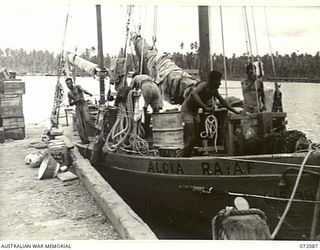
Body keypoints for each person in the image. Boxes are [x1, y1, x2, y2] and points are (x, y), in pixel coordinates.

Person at [180, 70, 240, 157]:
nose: (220, 83)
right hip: (187, 110)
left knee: (196, 137)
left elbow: (224, 103)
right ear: (213, 80)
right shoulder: (203, 85)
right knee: (191, 136)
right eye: (218, 81)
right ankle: (184, 157)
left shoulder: (214, 91)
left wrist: (236, 112)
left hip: (195, 112)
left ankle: (188, 154)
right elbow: (194, 94)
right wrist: (205, 107)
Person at [65, 77, 95, 144]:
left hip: (84, 104)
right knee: (79, 124)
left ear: (72, 83)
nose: (68, 85)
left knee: (87, 119)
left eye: (69, 83)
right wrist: (76, 101)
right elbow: (70, 103)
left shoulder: (78, 87)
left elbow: (83, 90)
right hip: (78, 107)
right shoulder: (69, 93)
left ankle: (97, 131)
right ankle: (84, 140)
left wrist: (89, 93)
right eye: (67, 84)